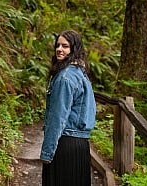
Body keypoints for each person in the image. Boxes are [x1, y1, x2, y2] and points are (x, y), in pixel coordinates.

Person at [40, 30, 96, 186]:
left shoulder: (65, 77)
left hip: (64, 144)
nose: (59, 49)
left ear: (74, 49)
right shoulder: (81, 74)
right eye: (58, 45)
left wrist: (47, 153)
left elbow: (57, 118)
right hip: (80, 146)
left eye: (65, 46)